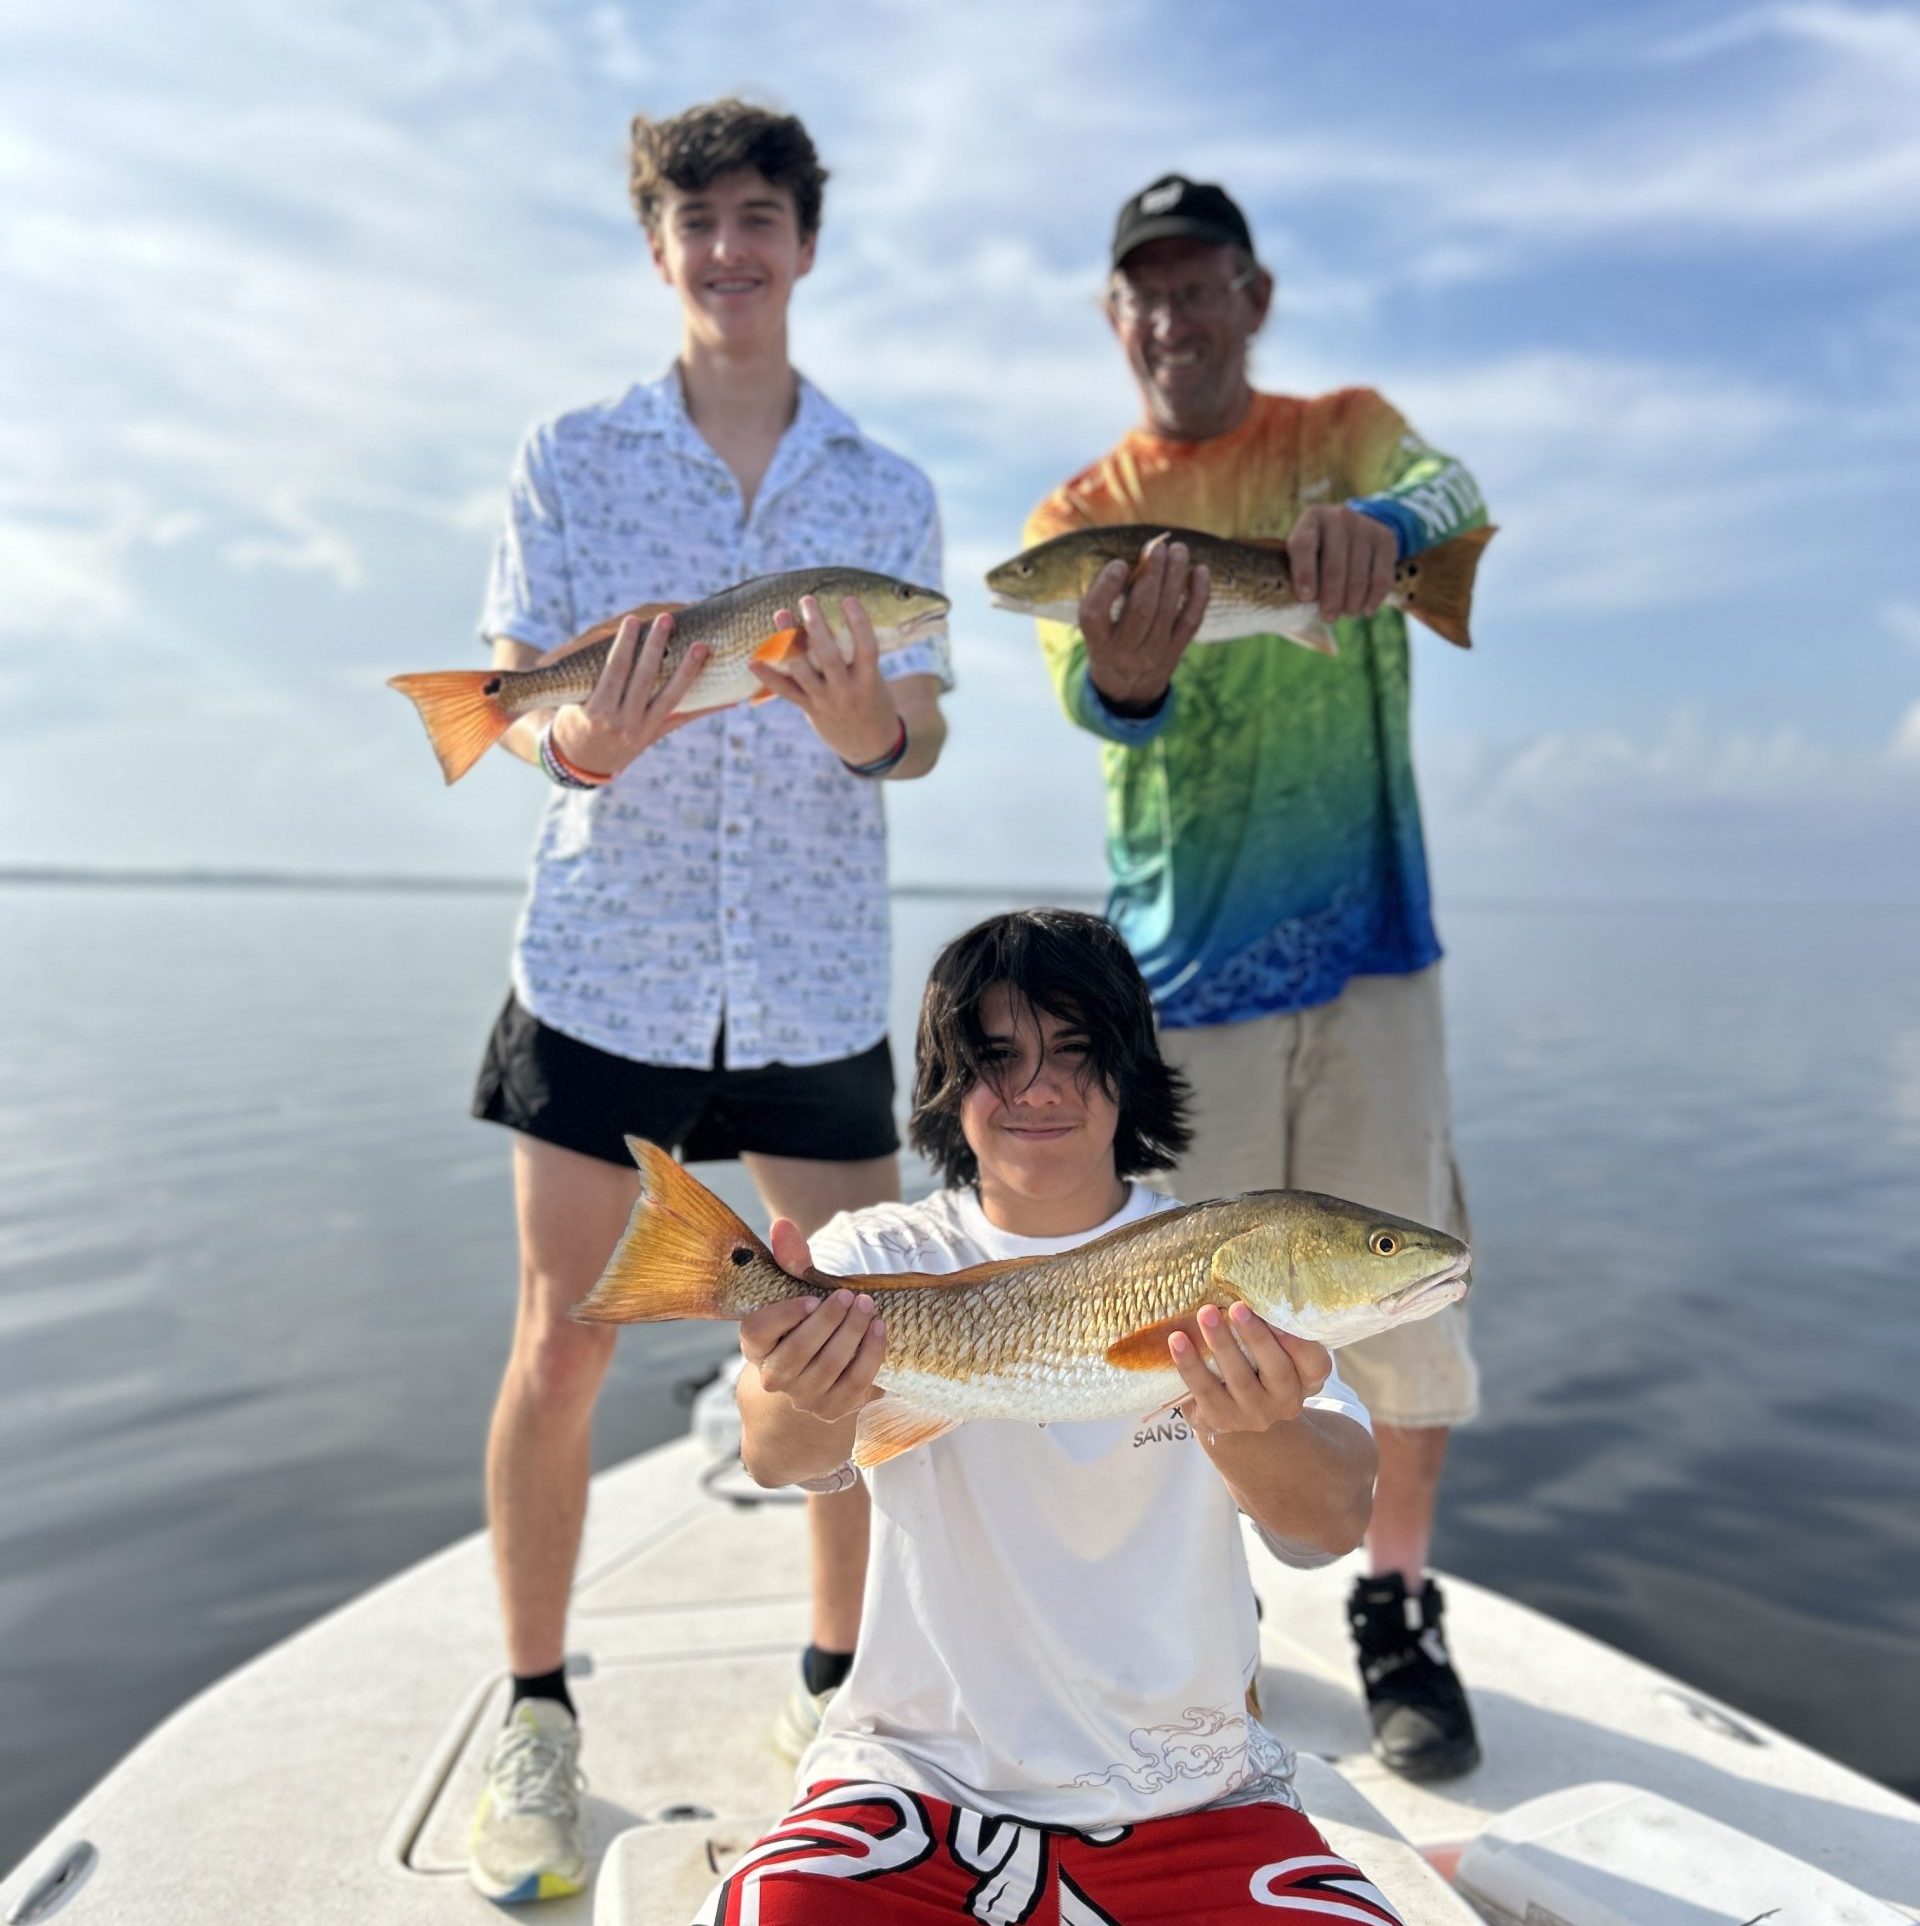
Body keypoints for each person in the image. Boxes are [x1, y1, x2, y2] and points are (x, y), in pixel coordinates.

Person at [464, 99, 951, 1904]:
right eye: (699, 223)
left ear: (806, 242)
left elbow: (928, 720)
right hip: (608, 959)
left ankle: (840, 1698)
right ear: (659, 250)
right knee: (565, 1337)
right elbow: (530, 710)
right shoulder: (569, 459)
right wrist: (580, 732)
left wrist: (866, 724)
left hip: (817, 968)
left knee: (839, 1337)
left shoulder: (886, 492)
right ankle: (535, 1707)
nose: (732, 250)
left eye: (762, 217)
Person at [1022, 174, 1490, 1783]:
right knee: (1176, 1330)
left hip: (1370, 949)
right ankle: (1202, 1621)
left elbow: (1451, 484)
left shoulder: (1343, 430)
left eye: (1199, 283)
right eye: (1142, 291)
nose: (1172, 315)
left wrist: (1395, 532)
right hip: (1180, 975)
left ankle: (1400, 1604)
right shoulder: (1076, 512)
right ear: (1114, 317)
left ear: (1252, 296)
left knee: (1408, 1290)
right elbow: (1088, 694)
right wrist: (1124, 670)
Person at [705, 908, 1402, 1925]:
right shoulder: (872, 1251)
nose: (1039, 1087)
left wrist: (1256, 1425)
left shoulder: (1230, 1258)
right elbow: (776, 1453)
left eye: (1079, 1052)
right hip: (912, 1778)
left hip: (1193, 1788)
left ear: (1133, 1073)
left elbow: (1334, 1518)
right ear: (948, 1086)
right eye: (998, 1058)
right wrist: (801, 1382)